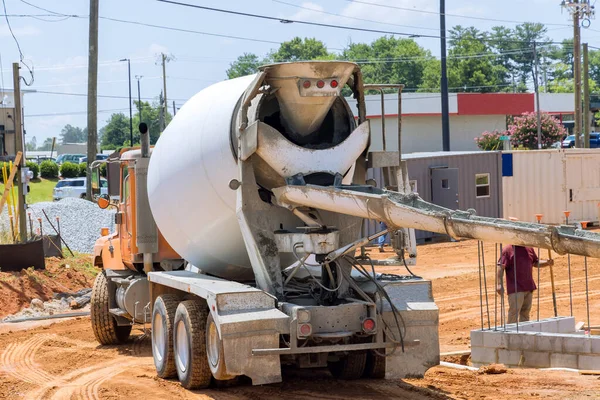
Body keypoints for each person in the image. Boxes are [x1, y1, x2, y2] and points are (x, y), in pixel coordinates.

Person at [497, 245, 553, 324]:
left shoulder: (529, 248)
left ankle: (523, 333)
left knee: (525, 313)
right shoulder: (507, 250)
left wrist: (547, 263)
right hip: (516, 289)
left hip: (528, 287)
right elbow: (501, 267)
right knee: (514, 313)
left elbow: (535, 262)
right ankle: (511, 334)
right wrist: (499, 284)